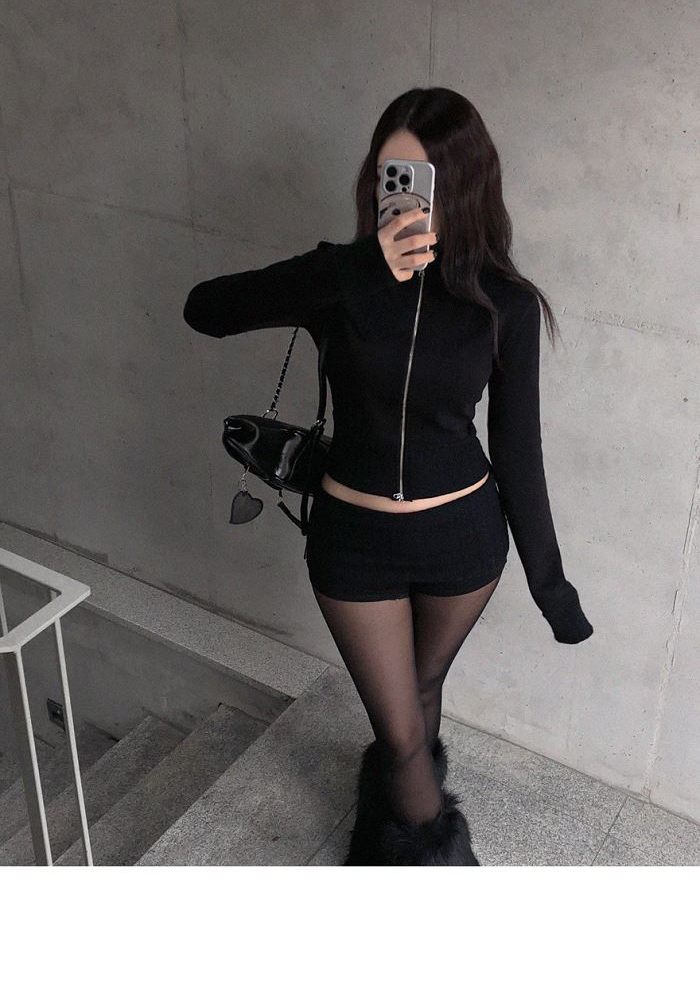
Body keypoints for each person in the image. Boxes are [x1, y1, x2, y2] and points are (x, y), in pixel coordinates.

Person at [183, 86, 594, 867]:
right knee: (402, 734)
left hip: (461, 542)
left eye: (418, 178)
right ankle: (438, 873)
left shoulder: (502, 304)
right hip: (354, 543)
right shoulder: (340, 281)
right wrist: (356, 268)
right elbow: (205, 309)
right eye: (385, 174)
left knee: (421, 695)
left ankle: (387, 840)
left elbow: (518, 451)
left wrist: (552, 586)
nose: (396, 193)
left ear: (461, 186)